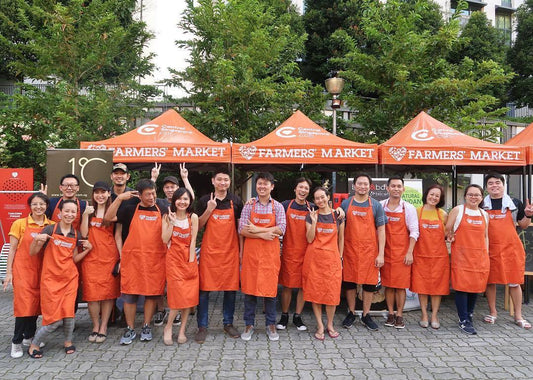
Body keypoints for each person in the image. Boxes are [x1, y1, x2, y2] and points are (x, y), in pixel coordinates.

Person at [104, 179, 168, 345]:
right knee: (130, 295)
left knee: (152, 294)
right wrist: (119, 199)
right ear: (139, 196)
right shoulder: (130, 210)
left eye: (154, 193)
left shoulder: (163, 209)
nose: (152, 197)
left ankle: (146, 326)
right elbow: (108, 217)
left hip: (155, 259)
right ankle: (130, 328)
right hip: (133, 259)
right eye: (148, 194)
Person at [27, 200, 92, 358]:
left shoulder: (75, 234)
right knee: (54, 318)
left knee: (69, 313)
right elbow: (32, 252)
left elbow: (74, 258)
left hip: (70, 279)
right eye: (67, 211)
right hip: (51, 280)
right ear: (60, 213)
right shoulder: (50, 229)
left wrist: (88, 250)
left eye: (73, 212)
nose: (70, 214)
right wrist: (36, 241)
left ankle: (68, 341)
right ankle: (34, 344)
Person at [195, 168, 243, 343]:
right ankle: (202, 326)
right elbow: (197, 227)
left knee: (230, 290)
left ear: (229, 183)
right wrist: (209, 210)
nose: (223, 183)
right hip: (210, 253)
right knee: (204, 290)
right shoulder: (203, 200)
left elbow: (240, 229)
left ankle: (228, 323)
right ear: (213, 181)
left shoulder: (236, 201)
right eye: (220, 179)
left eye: (226, 180)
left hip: (230, 252)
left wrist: (241, 252)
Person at [4, 193, 54, 358]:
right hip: (23, 270)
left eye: (42, 204)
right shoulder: (19, 223)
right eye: (35, 204)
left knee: (36, 306)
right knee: (24, 307)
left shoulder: (52, 225)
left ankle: (29, 336)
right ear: (30, 206)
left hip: (43, 271)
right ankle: (16, 342)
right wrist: (8, 272)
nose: (38, 207)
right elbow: (12, 249)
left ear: (47, 206)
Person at [239, 172, 286, 341]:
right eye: (259, 183)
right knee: (250, 291)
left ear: (272, 186)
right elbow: (243, 230)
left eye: (266, 184)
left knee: (270, 291)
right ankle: (249, 324)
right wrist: (264, 235)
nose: (262, 186)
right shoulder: (249, 206)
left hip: (270, 256)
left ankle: (271, 324)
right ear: (256, 185)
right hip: (252, 255)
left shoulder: (278, 206)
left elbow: (281, 229)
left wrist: (258, 230)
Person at [483, 173, 533, 329]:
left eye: (497, 182)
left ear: (503, 185)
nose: (494, 186)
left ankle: (518, 316)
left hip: (511, 248)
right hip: (489, 248)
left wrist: (529, 215)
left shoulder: (514, 203)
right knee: (490, 282)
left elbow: (523, 225)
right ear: (486, 187)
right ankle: (493, 312)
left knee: (514, 282)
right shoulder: (482, 204)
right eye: (490, 183)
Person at [341, 174, 386, 331]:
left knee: (369, 284)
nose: (362, 186)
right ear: (354, 186)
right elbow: (340, 228)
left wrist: (381, 254)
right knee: (350, 282)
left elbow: (381, 230)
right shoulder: (346, 204)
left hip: (369, 252)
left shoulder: (376, 205)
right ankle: (352, 313)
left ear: (370, 186)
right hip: (350, 251)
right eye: (359, 183)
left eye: (365, 184)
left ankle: (366, 315)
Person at [152, 163, 194, 328]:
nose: (170, 190)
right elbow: (147, 194)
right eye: (167, 187)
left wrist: (185, 178)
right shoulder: (161, 203)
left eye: (173, 187)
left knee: (175, 284)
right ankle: (161, 310)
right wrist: (153, 178)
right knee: (160, 282)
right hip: (161, 248)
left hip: (177, 251)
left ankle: (173, 311)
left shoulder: (184, 204)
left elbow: (190, 196)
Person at [80, 181, 120, 344]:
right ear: (93, 195)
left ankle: (104, 326)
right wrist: (84, 214)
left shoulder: (114, 212)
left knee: (108, 294)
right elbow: (83, 233)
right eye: (97, 192)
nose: (100, 195)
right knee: (92, 295)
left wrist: (121, 257)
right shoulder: (89, 211)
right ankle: (95, 326)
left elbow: (118, 236)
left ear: (109, 194)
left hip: (109, 256)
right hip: (90, 257)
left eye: (103, 192)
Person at [445, 184, 489, 335]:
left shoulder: (484, 214)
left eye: (477, 195)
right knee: (462, 287)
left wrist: (486, 255)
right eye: (470, 194)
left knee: (475, 287)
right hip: (462, 257)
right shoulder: (458, 210)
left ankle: (470, 315)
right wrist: (449, 236)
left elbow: (486, 237)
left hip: (479, 257)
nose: (473, 197)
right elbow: (447, 229)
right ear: (465, 196)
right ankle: (463, 319)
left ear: (482, 197)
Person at [302, 187, 344, 340]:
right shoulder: (311, 216)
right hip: (314, 260)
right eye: (317, 198)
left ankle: (330, 324)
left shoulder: (338, 216)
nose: (320, 200)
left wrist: (340, 258)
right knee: (316, 293)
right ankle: (320, 325)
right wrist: (313, 222)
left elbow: (341, 239)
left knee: (331, 294)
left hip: (332, 260)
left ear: (328, 197)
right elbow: (309, 239)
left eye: (322, 197)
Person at [161, 188, 199, 345]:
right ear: (174, 200)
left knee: (188, 298)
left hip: (188, 261)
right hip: (173, 262)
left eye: (186, 199)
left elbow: (193, 241)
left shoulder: (193, 217)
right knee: (177, 298)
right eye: (179, 199)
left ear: (189, 201)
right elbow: (164, 239)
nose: (182, 202)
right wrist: (171, 222)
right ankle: (168, 327)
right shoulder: (167, 216)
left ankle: (182, 330)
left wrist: (190, 263)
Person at [380, 177, 419, 329]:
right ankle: (390, 313)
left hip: (402, 253)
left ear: (403, 189)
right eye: (393, 186)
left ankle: (400, 315)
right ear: (387, 188)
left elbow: (414, 231)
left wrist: (410, 252)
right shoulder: (381, 205)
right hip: (385, 252)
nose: (396, 189)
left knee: (400, 286)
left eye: (399, 186)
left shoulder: (408, 208)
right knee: (388, 285)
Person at [276, 177, 314, 332]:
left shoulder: (312, 208)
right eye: (301, 187)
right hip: (288, 252)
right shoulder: (285, 205)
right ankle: (284, 315)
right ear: (295, 189)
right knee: (287, 286)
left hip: (307, 252)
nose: (303, 190)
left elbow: (327, 212)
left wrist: (340, 211)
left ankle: (297, 316)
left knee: (303, 286)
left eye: (306, 188)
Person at [410, 184, 449, 329]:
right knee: (422, 286)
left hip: (439, 257)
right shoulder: (416, 212)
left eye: (437, 196)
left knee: (437, 287)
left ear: (440, 199)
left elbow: (449, 234)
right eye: (432, 194)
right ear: (426, 194)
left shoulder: (443, 214)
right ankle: (424, 315)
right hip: (420, 255)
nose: (433, 198)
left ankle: (434, 316)